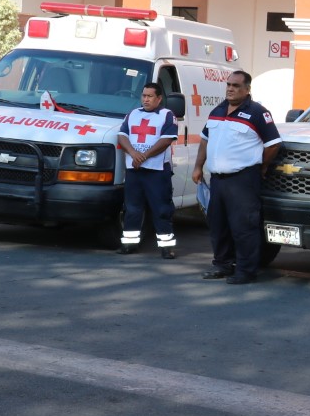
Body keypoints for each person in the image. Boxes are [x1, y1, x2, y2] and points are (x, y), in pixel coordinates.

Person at [192, 70, 282, 284]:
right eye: (229, 85)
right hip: (218, 180)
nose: (230, 89)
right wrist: (198, 166)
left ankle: (245, 271)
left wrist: (262, 165)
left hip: (243, 180)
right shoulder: (217, 110)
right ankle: (222, 265)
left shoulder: (258, 112)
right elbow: (205, 140)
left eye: (236, 86)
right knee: (218, 225)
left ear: (247, 89)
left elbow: (274, 144)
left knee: (244, 227)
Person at [117, 82, 179, 259]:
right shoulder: (133, 114)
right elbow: (122, 135)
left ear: (159, 98)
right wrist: (133, 153)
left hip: (157, 171)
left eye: (150, 96)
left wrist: (142, 156)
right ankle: (129, 244)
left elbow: (166, 140)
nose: (145, 99)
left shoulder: (166, 115)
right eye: (143, 95)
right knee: (132, 209)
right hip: (134, 170)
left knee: (162, 209)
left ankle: (167, 247)